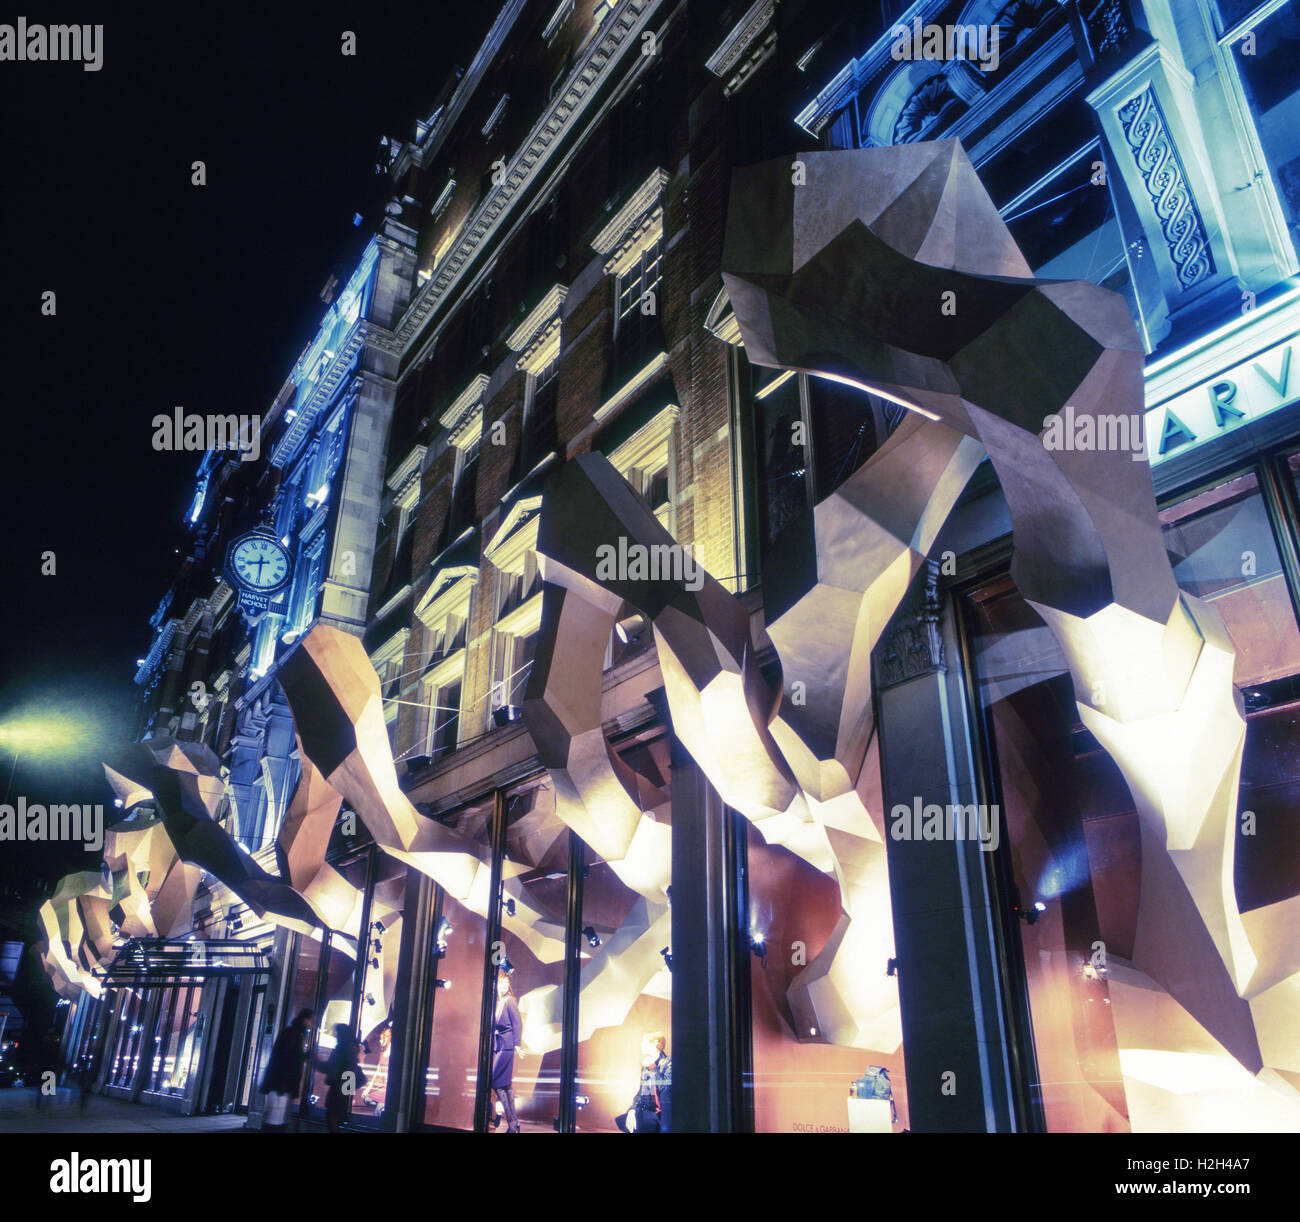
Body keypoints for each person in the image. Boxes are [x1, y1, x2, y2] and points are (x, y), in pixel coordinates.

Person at [260, 1008, 314, 1132]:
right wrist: (283, 1082)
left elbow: (289, 1057)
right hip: (281, 1084)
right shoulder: (294, 1034)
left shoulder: (293, 1033)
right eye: (311, 1021)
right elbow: (287, 1058)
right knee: (276, 1118)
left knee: (276, 1118)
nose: (312, 1025)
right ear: (305, 1020)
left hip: (281, 1083)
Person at [489, 965, 524, 1133]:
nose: (503, 986)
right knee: (505, 1086)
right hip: (498, 1046)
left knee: (495, 1081)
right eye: (500, 983)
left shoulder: (510, 1001)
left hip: (507, 1046)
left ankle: (511, 1122)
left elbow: (518, 1023)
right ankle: (513, 1124)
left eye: (505, 983)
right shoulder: (496, 1002)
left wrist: (517, 1045)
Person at [616, 1033, 671, 1133]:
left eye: (644, 1041)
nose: (641, 1044)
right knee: (625, 1120)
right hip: (650, 1112)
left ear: (655, 1043)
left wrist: (652, 1067)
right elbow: (642, 1093)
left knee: (641, 1124)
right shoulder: (646, 1066)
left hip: (664, 1114)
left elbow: (665, 1087)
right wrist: (632, 1110)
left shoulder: (668, 1062)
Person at [321, 1022, 365, 1133]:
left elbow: (342, 1067)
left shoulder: (344, 1047)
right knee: (334, 1115)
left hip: (339, 1086)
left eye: (337, 1032)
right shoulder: (350, 1047)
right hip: (342, 1086)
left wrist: (343, 1089)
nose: (335, 1035)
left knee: (332, 1116)